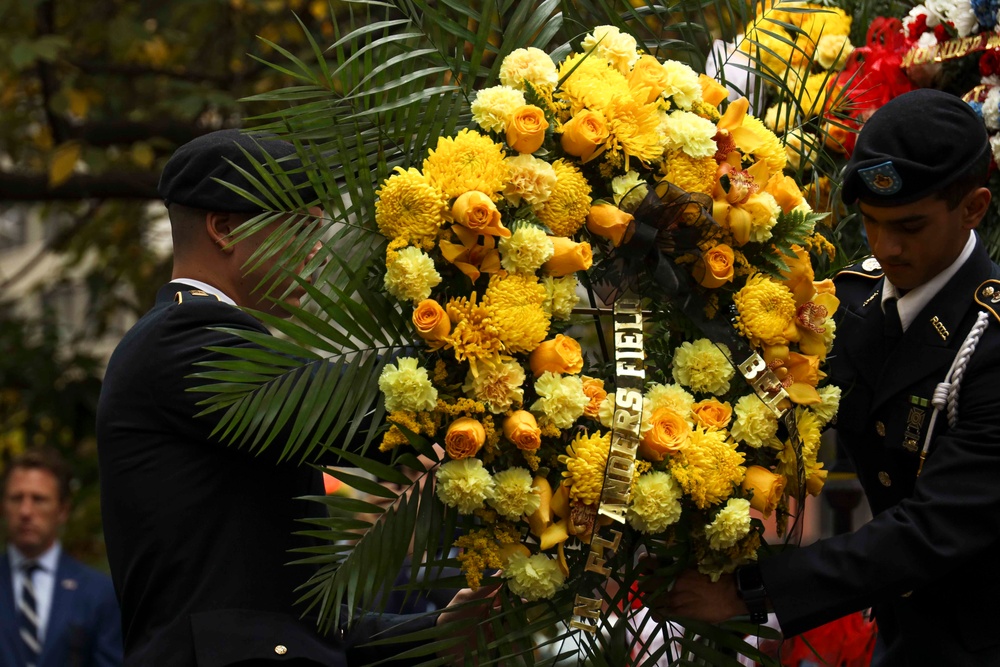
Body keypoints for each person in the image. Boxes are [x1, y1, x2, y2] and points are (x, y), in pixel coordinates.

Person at [96, 129, 488, 667]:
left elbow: (301, 625)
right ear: (225, 228)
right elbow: (354, 422)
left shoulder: (200, 341)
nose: (319, 253)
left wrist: (438, 630)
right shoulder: (182, 337)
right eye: (301, 228)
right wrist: (471, 340)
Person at [658, 88, 1000, 664]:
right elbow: (773, 390)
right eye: (870, 223)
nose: (886, 247)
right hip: (904, 635)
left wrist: (750, 592)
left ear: (973, 209)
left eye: (910, 227)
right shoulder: (853, 300)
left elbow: (931, 529)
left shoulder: (989, 343)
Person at [1, 447, 123, 667]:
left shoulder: (98, 593)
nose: (26, 511)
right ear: (3, 506)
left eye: (38, 499)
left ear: (63, 510)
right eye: (17, 498)